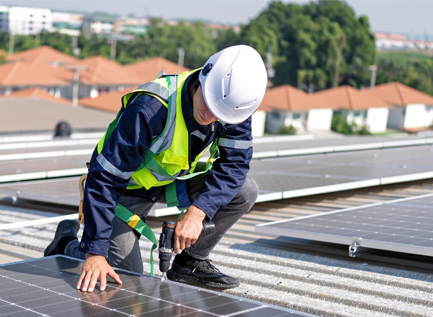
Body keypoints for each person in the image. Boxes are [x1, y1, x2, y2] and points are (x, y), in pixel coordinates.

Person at [45, 45, 268, 292]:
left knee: (245, 191)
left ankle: (190, 264)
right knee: (123, 279)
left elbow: (235, 166)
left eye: (219, 114)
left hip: (171, 182)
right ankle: (66, 244)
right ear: (203, 79)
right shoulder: (151, 108)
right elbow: (105, 179)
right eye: (208, 103)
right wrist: (94, 253)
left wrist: (198, 212)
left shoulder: (232, 107)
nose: (211, 116)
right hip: (123, 190)